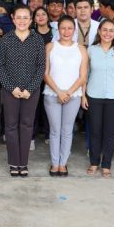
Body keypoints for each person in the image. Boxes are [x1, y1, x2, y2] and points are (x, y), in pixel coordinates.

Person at [0, 5, 46, 177]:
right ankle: (13, 162)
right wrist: (12, 88)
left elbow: (41, 67)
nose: (22, 21)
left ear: (31, 20)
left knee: (26, 125)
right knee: (10, 126)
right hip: (11, 90)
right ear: (13, 18)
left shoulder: (38, 40)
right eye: (19, 17)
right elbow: (0, 66)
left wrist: (29, 89)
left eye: (26, 17)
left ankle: (23, 163)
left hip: (31, 92)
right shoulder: (6, 39)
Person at [43, 16, 88, 177]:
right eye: (63, 28)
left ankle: (63, 163)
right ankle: (55, 163)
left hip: (73, 95)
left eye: (70, 28)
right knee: (55, 130)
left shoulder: (81, 48)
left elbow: (83, 76)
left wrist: (68, 92)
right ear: (58, 29)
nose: (66, 31)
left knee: (67, 130)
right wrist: (59, 92)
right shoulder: (50, 46)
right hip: (52, 94)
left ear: (74, 30)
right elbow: (45, 73)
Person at [84, 19, 114, 178]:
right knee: (95, 131)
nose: (108, 33)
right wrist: (83, 95)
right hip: (93, 95)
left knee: (110, 132)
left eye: (111, 30)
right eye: (105, 30)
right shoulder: (91, 50)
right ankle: (94, 162)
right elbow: (85, 74)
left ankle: (106, 164)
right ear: (99, 31)